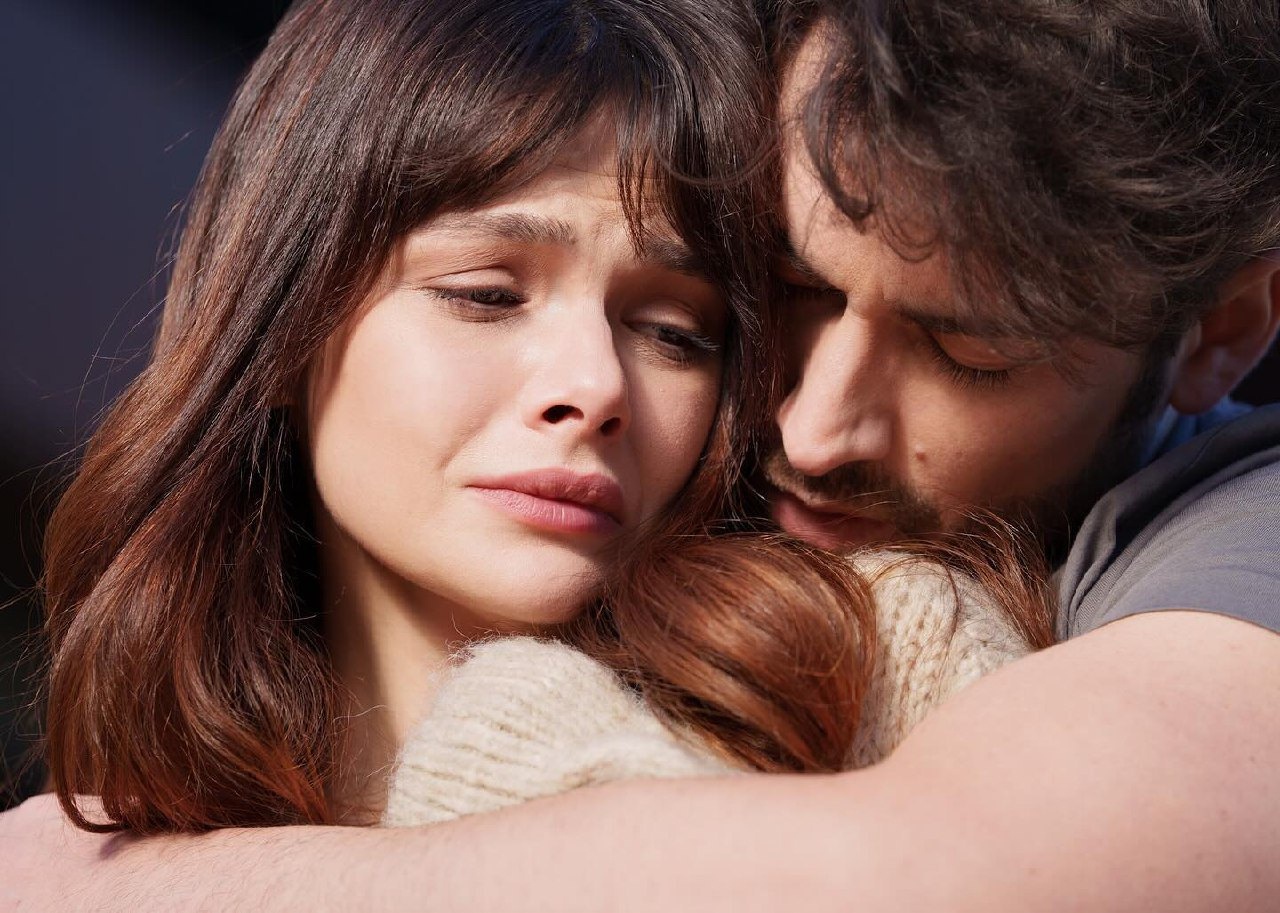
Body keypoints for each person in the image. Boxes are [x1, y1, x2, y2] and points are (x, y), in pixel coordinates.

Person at [3, 0, 1278, 909]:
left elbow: (936, 876)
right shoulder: (121, 797)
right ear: (283, 310)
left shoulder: (902, 644)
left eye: (676, 329)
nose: (808, 428)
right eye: (789, 296)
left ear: (1220, 336)